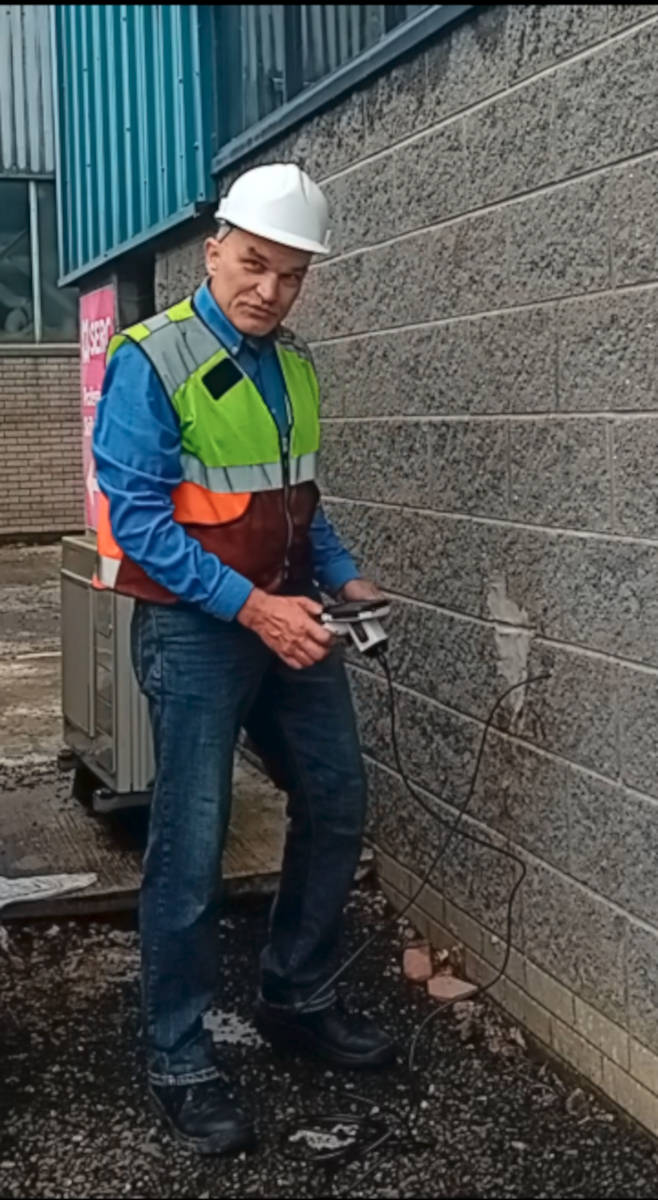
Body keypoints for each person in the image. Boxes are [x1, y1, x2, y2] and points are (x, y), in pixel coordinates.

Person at [93, 163, 395, 1157]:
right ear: (214, 247)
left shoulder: (295, 365)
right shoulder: (154, 358)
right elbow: (136, 522)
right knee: (190, 848)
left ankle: (294, 996)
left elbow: (299, 500)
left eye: (291, 274)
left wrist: (340, 576)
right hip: (197, 632)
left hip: (289, 614)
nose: (269, 289)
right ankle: (179, 1058)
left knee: (338, 798)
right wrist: (255, 611)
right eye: (254, 264)